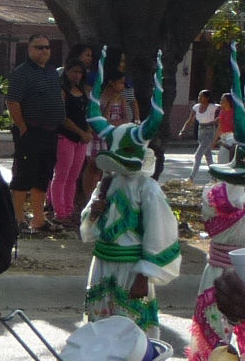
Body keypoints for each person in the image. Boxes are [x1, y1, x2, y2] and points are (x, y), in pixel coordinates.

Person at [78, 68, 180, 331]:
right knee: (102, 325)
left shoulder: (147, 188)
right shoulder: (108, 181)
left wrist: (144, 275)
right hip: (102, 263)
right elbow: (90, 222)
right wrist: (94, 211)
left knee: (131, 328)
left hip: (130, 267)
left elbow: (159, 232)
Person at [187, 123, 245, 361]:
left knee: (214, 326)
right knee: (214, 327)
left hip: (218, 271)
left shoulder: (212, 194)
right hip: (222, 270)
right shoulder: (215, 195)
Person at [3, 34, 63, 233]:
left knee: (43, 176)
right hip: (30, 131)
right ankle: (18, 220)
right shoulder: (22, 73)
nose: (43, 51)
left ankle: (39, 219)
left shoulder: (52, 72)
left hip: (49, 133)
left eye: (46, 47)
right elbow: (13, 101)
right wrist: (22, 127)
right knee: (23, 175)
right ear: (29, 50)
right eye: (39, 47)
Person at [48, 57, 97, 225]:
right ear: (66, 72)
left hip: (81, 139)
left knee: (74, 176)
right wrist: (80, 132)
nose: (77, 75)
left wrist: (88, 131)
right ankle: (59, 212)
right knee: (61, 175)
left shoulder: (82, 91)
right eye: (74, 71)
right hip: (66, 136)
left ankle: (69, 210)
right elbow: (63, 117)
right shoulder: (62, 90)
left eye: (80, 72)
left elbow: (86, 114)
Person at [184, 89, 221, 179]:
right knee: (208, 156)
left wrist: (219, 119)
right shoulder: (196, 107)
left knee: (198, 155)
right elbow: (189, 120)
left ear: (207, 98)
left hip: (209, 131)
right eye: (199, 96)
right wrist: (183, 130)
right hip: (200, 131)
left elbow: (225, 108)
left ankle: (191, 177)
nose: (199, 98)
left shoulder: (213, 106)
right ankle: (214, 177)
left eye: (201, 96)